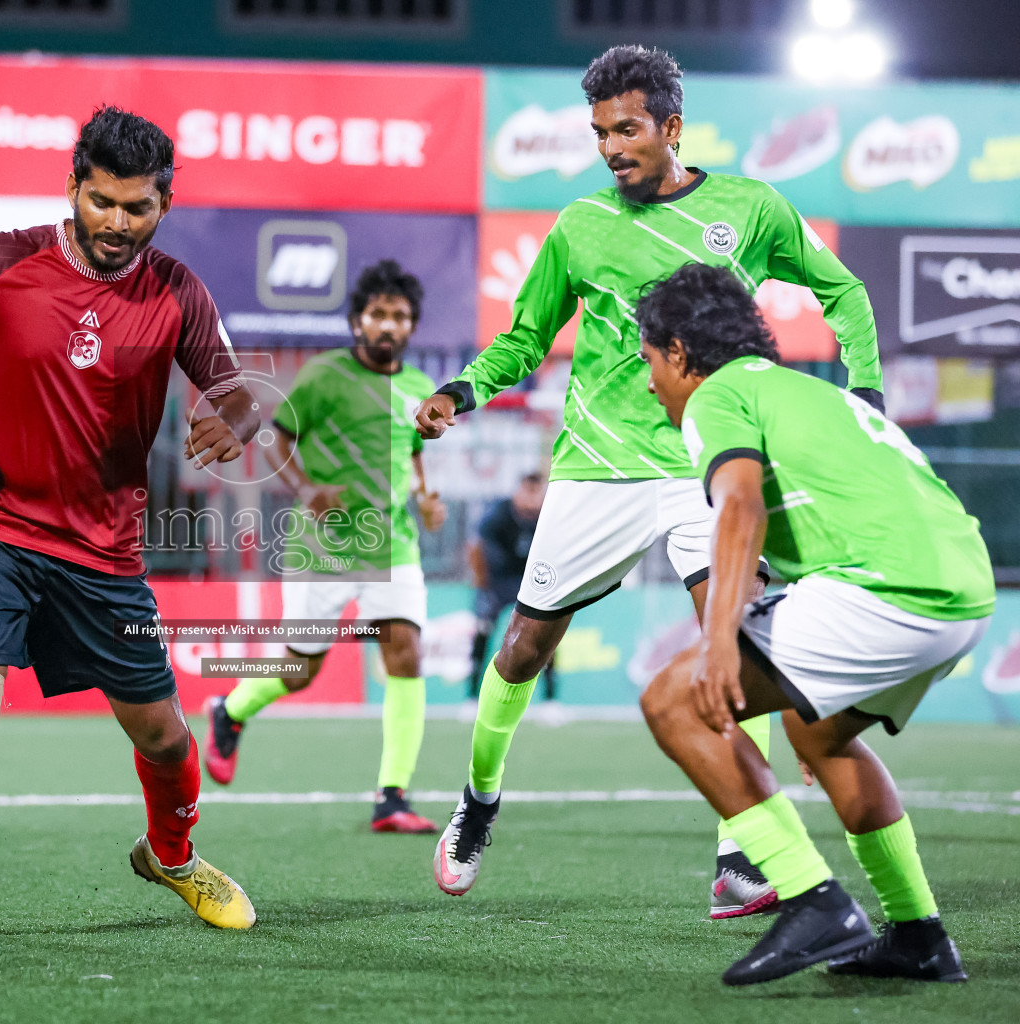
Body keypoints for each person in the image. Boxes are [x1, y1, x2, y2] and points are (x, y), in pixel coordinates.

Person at [415, 45, 885, 911]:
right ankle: (478, 802)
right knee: (523, 647)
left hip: (705, 460)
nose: (611, 147)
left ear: (672, 126)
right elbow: (525, 339)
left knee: (736, 637)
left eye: (627, 128)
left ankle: (744, 851)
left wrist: (866, 391)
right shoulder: (579, 226)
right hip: (597, 464)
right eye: (599, 132)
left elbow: (844, 293)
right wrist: (462, 391)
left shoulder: (750, 208)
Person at [0, 106, 259, 937]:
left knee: (168, 740)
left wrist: (233, 421)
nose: (117, 222)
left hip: (104, 553)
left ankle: (172, 857)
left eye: (137, 208)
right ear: (73, 188)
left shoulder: (177, 292)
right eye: (102, 202)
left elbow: (238, 392)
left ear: (163, 206)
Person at [635, 262, 989, 985]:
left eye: (647, 361)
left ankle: (811, 898)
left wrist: (719, 644)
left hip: (887, 590)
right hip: (962, 590)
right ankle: (918, 935)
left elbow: (740, 507)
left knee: (673, 701)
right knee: (817, 732)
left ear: (678, 353)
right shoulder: (805, 391)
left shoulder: (719, 394)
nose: (648, 383)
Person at [203, 260, 447, 833]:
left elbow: (412, 452)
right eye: (378, 314)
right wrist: (307, 488)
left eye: (400, 316)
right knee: (302, 670)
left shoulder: (417, 389)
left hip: (394, 544)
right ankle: (230, 709)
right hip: (324, 546)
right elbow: (274, 440)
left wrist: (427, 495)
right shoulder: (323, 375)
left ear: (411, 326)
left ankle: (392, 797)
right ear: (358, 320)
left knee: (405, 652)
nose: (389, 325)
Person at [466, 473, 549, 699]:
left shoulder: (548, 516)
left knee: (548, 633)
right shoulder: (499, 513)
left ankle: (552, 700)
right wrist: (483, 583)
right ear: (518, 491)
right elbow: (475, 546)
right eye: (527, 491)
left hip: (531, 583)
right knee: (482, 630)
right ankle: (471, 696)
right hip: (497, 582)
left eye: (536, 492)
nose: (532, 499)